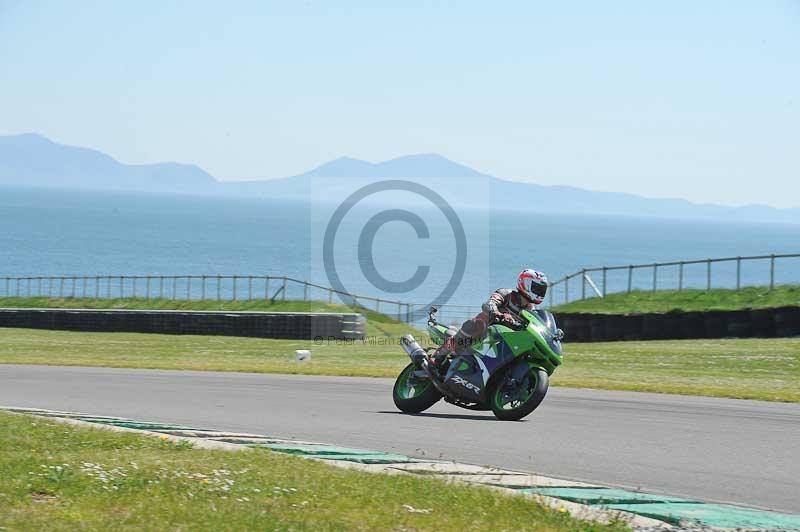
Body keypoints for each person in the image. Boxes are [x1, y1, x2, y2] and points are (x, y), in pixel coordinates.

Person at [429, 269, 548, 368]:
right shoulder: (506, 294)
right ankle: (439, 357)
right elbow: (491, 303)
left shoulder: (531, 310)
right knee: (478, 323)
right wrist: (498, 314)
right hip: (486, 331)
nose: (540, 292)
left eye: (541, 290)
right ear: (526, 284)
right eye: (537, 289)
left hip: (504, 340)